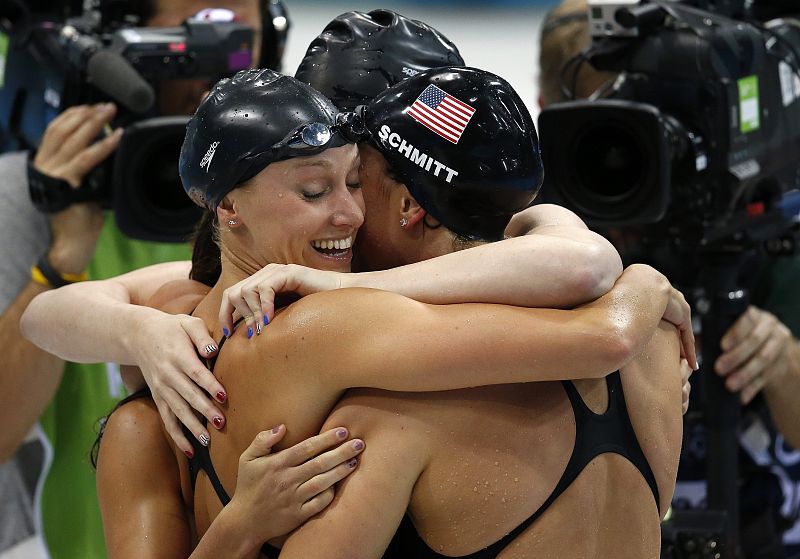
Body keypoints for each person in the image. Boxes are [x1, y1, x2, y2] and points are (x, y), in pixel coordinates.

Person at [25, 63, 689, 558]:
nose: (346, 212)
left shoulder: (340, 341)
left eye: (352, 182)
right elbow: (600, 320)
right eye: (315, 189)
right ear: (228, 208)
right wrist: (648, 284)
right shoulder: (649, 344)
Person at [0, 2, 268, 558]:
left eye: (242, 38)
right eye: (195, 35)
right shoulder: (21, 198)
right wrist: (62, 256)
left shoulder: (296, 195)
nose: (223, 69)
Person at [538, 1, 800, 556]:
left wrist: (783, 363)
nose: (621, 155)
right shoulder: (534, 221)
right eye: (596, 131)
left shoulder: (757, 216)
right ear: (550, 113)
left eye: (640, 125)